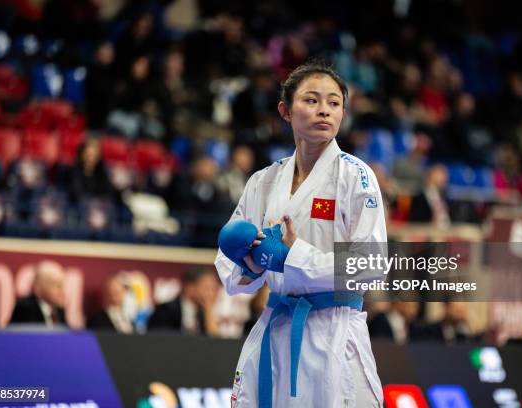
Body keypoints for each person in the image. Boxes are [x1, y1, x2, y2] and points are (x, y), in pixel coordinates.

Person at [215, 63, 386, 407]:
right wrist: (250, 265)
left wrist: (293, 257)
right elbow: (229, 270)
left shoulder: (356, 177)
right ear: (285, 110)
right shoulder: (263, 181)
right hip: (276, 327)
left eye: (334, 103)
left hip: (334, 333)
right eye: (311, 100)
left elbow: (370, 265)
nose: (324, 109)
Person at [147, 267, 221, 336]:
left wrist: (209, 313)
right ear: (189, 287)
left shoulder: (204, 314)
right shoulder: (165, 310)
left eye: (214, 289)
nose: (211, 294)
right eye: (207, 288)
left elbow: (215, 343)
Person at [10, 260, 68, 328]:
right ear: (38, 287)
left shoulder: (60, 311)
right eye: (56, 285)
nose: (61, 291)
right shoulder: (25, 308)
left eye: (62, 286)